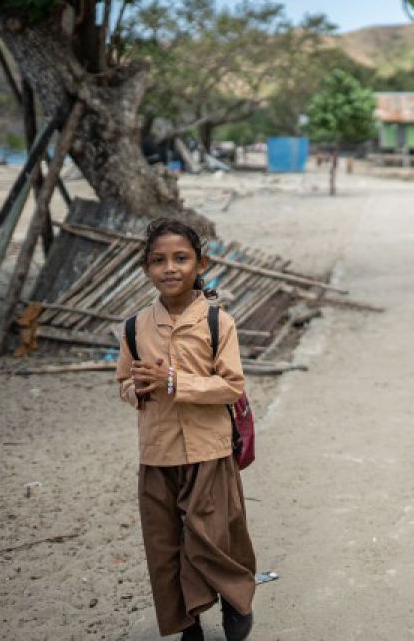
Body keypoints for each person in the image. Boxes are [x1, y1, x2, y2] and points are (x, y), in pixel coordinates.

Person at [116, 219, 256, 641]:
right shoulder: (134, 327)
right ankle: (187, 624)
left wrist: (174, 382)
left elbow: (231, 386)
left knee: (210, 540)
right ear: (145, 269)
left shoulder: (218, 323)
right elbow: (123, 382)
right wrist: (136, 387)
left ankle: (235, 601)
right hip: (157, 454)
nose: (170, 268)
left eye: (181, 258)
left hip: (208, 451)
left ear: (200, 263)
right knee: (165, 547)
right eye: (158, 260)